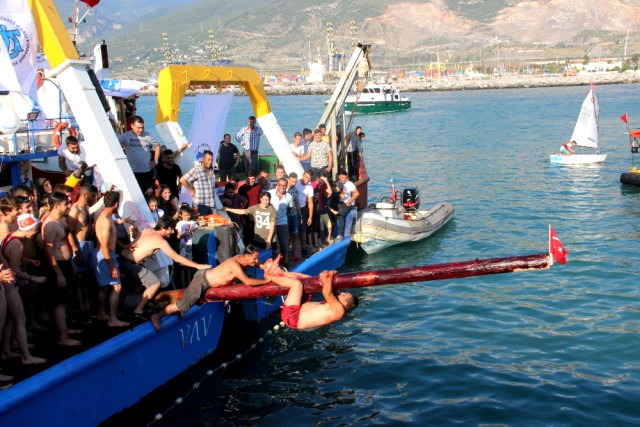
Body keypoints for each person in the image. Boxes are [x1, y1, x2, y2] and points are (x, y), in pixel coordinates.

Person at [151, 245, 269, 331]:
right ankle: (156, 316)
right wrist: (266, 281)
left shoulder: (245, 259)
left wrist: (268, 267)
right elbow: (247, 281)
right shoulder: (234, 264)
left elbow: (259, 263)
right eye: (254, 258)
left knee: (186, 302)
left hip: (207, 277)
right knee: (182, 306)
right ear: (246, 256)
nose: (256, 261)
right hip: (202, 281)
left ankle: (177, 308)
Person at [119, 216, 211, 318]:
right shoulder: (160, 241)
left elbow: (138, 239)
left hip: (121, 259)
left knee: (141, 282)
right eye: (170, 229)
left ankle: (126, 306)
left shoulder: (146, 231)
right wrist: (198, 266)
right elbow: (176, 258)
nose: (172, 232)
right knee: (154, 283)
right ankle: (138, 310)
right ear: (163, 228)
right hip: (130, 264)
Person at [0, 214, 47, 364]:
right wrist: (33, 278)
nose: (35, 233)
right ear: (28, 229)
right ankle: (26, 357)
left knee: (9, 321)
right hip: (8, 286)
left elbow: (8, 257)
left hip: (5, 284)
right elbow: (14, 271)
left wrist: (27, 261)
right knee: (20, 319)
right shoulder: (18, 245)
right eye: (34, 230)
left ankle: (7, 350)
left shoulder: (9, 236)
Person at [42, 192, 83, 345]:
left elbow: (65, 242)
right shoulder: (50, 224)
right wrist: (58, 273)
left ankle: (65, 329)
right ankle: (63, 337)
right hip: (57, 266)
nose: (68, 206)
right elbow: (48, 251)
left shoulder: (60, 221)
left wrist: (70, 262)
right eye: (66, 204)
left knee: (65, 300)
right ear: (56, 205)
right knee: (59, 302)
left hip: (65, 264)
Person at [266, 269, 357, 330]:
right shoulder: (337, 301)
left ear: (345, 303)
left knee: (296, 285)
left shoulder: (339, 311)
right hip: (300, 308)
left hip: (293, 317)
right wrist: (326, 273)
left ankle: (269, 277)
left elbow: (326, 292)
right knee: (308, 280)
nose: (343, 293)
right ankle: (281, 273)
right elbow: (326, 282)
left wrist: (331, 273)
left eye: (345, 295)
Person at [93, 191, 130, 327]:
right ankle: (113, 319)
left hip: (101, 253)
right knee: (117, 286)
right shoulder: (106, 221)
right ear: (116, 204)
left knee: (104, 287)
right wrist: (111, 266)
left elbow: (111, 238)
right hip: (106, 255)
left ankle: (102, 313)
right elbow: (104, 245)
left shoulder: (101, 214)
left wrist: (124, 246)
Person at [66, 184, 98, 318]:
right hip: (79, 245)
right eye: (92, 196)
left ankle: (88, 303)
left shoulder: (86, 207)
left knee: (88, 276)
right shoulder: (75, 210)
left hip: (89, 244)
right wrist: (76, 251)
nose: (94, 199)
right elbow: (68, 232)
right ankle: (81, 307)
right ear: (85, 195)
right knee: (79, 278)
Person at [118, 115, 161, 189]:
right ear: (132, 126)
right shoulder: (125, 136)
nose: (141, 130)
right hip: (133, 172)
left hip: (147, 171)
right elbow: (114, 143)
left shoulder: (147, 135)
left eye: (142, 127)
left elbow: (157, 146)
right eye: (138, 128)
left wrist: (155, 161)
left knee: (149, 191)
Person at [180, 150, 216, 216]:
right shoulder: (196, 170)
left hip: (211, 204)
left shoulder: (211, 170)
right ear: (203, 159)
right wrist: (191, 189)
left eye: (212, 160)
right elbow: (182, 180)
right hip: (200, 205)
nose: (210, 162)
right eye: (208, 160)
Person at [268, 177, 294, 268]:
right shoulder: (270, 193)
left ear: (286, 186)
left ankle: (285, 261)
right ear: (277, 185)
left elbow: (290, 208)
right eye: (281, 185)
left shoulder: (289, 196)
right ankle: (271, 262)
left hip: (282, 222)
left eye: (284, 185)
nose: (282, 187)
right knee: (271, 242)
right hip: (270, 222)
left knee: (284, 242)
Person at [336, 170, 359, 240]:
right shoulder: (337, 183)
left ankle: (340, 234)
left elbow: (357, 193)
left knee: (340, 214)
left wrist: (349, 201)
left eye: (345, 178)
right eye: (342, 178)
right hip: (339, 202)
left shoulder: (350, 184)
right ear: (339, 177)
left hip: (348, 204)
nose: (343, 180)